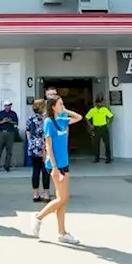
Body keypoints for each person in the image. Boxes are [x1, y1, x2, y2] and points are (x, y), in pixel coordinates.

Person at [31, 95, 82, 244]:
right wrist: (54, 167)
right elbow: (48, 146)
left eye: (63, 104)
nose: (62, 106)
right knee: (63, 198)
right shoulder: (48, 122)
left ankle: (62, 233)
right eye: (60, 104)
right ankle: (38, 217)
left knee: (63, 200)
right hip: (55, 165)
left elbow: (79, 117)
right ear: (53, 106)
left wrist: (65, 110)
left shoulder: (63, 120)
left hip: (64, 163)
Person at [26, 99, 51, 202]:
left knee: (35, 170)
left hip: (33, 146)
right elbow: (45, 134)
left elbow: (28, 131)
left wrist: (31, 142)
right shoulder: (45, 119)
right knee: (45, 170)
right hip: (43, 146)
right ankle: (46, 194)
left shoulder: (30, 118)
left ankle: (35, 194)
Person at [0, 101, 19, 172]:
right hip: (2, 132)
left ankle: (7, 166)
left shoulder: (13, 113)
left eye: (9, 105)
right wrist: (2, 121)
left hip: (10, 132)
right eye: (7, 105)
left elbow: (16, 123)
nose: (8, 107)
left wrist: (10, 121)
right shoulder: (1, 113)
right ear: (4, 106)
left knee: (9, 150)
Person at [85, 97, 114, 163]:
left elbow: (111, 116)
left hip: (104, 127)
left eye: (101, 102)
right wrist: (90, 125)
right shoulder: (93, 110)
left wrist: (108, 123)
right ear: (96, 103)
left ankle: (108, 158)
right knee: (96, 144)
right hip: (96, 128)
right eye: (99, 102)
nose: (100, 104)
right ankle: (96, 158)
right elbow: (87, 117)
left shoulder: (105, 109)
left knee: (107, 144)